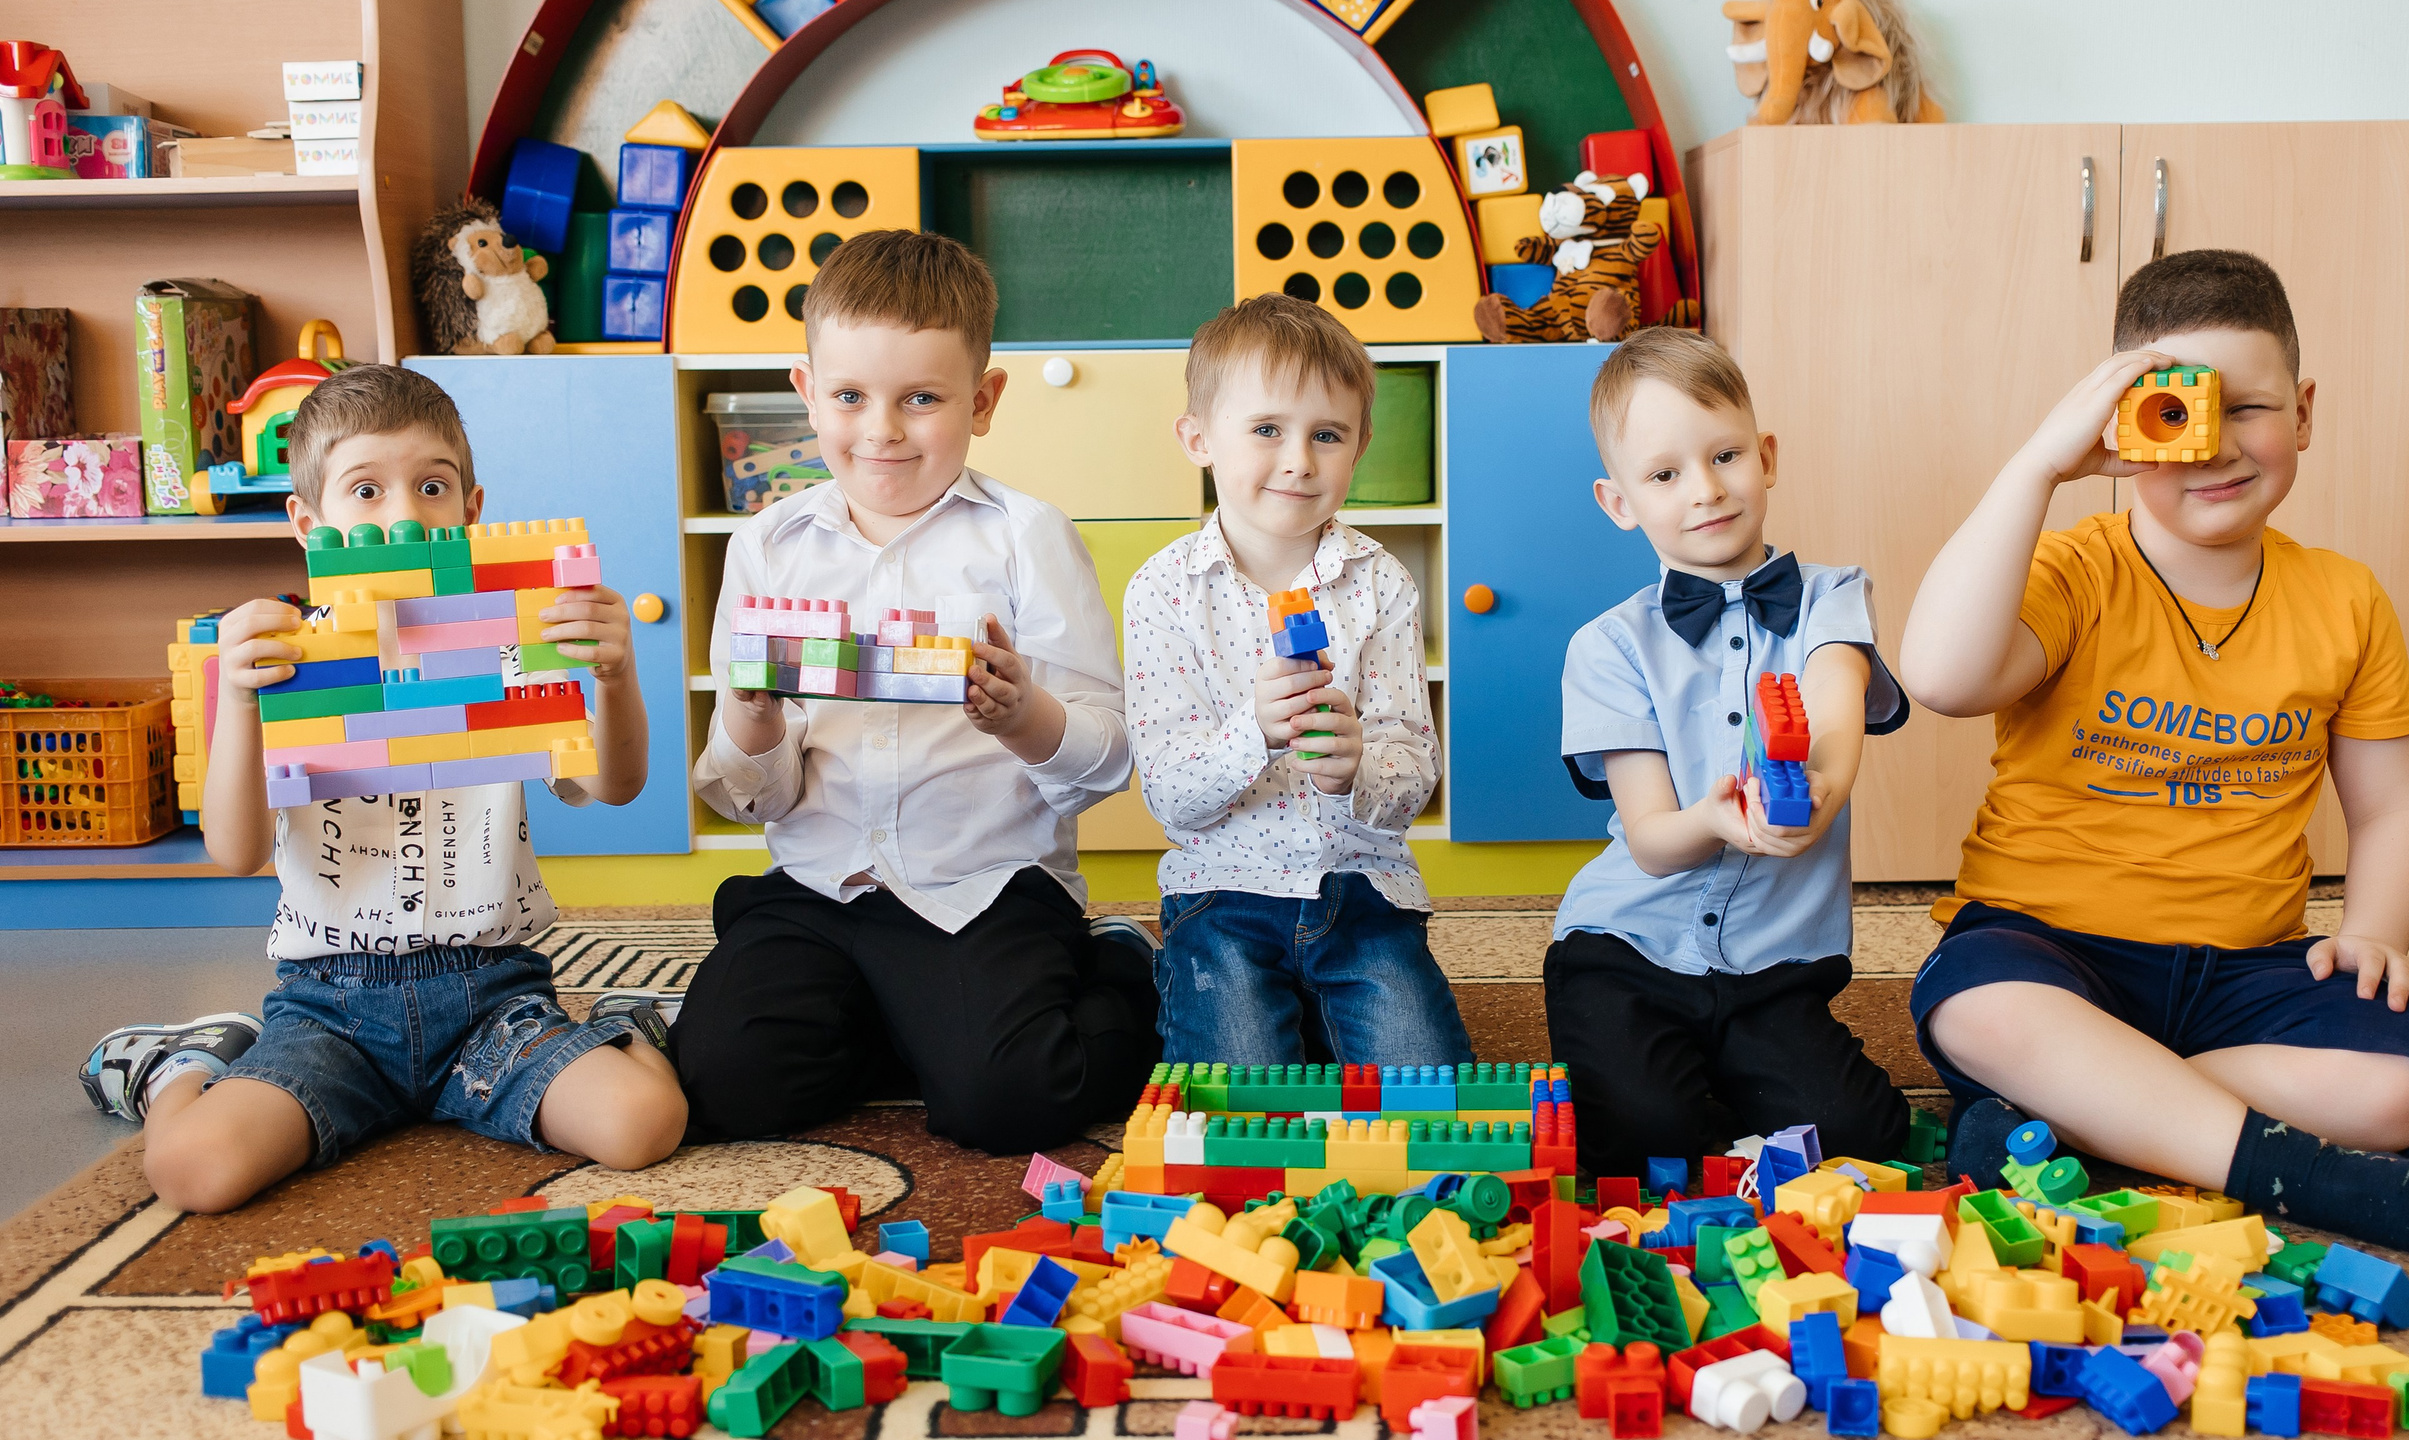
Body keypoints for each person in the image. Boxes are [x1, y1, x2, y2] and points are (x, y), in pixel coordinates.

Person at [1898, 249, 2409, 1268]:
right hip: (2052, 950)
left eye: (2250, 409)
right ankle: (2304, 1177)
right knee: (1975, 1007)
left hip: (2244, 967)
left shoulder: (2344, 599)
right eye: (2176, 415)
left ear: (2304, 412)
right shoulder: (2076, 570)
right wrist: (2036, 467)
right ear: (2117, 431)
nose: (2214, 446)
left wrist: (2376, 935)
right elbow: (1943, 677)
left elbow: (2393, 807)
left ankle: (2093, 1113)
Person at [80, 364, 683, 1213]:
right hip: (331, 1008)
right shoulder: (281, 656)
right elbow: (236, 849)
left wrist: (615, 675)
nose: (403, 514)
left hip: (490, 996)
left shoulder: (504, 641)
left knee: (644, 1123)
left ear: (471, 510)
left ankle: (627, 1027)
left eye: (431, 486)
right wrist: (240, 701)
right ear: (308, 521)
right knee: (193, 1171)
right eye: (366, 490)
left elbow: (616, 786)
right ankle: (184, 1064)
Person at [648, 229, 1158, 1153]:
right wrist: (752, 718)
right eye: (850, 397)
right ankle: (913, 1025)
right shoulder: (766, 547)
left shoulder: (1026, 537)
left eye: (921, 399)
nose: (881, 430)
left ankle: (1118, 964)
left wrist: (1022, 717)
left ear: (985, 399)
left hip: (983, 884)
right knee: (720, 1085)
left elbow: (1107, 756)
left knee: (1010, 1106)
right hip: (821, 885)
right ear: (807, 396)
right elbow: (750, 792)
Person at [1544, 328, 1910, 1175]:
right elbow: (1650, 839)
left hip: (1772, 967)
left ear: (1767, 456)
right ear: (1620, 502)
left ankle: (1727, 1073)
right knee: (1641, 1142)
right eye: (1665, 474)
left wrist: (1815, 789)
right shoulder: (1608, 647)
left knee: (1859, 1141)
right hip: (1627, 949)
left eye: (1726, 455)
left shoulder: (1831, 598)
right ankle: (1675, 1081)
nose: (1706, 490)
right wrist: (1713, 816)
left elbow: (1830, 717)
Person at [1122, 293, 1471, 1064]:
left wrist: (1360, 769)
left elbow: (1415, 774)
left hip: (1362, 889)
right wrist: (1255, 731)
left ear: (1360, 446)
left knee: (1429, 1096)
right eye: (1266, 430)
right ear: (1199, 438)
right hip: (1223, 894)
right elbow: (1169, 793)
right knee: (1236, 1104)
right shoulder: (1165, 589)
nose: (1297, 460)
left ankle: (1320, 1015)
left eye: (1327, 434)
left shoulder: (1380, 584)